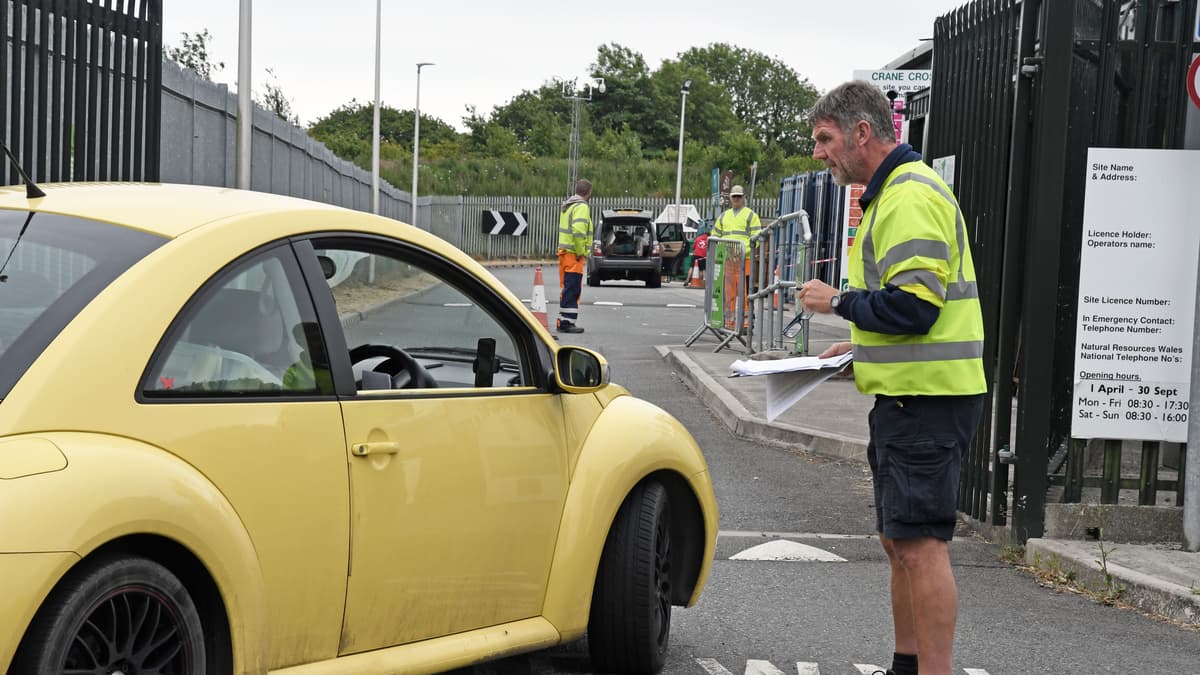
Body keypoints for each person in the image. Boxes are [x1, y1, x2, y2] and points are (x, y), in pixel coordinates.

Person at [797, 80, 986, 675]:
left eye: (825, 139)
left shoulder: (906, 195)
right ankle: (907, 664)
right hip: (911, 397)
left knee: (921, 546)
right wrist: (858, 349)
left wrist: (837, 302)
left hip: (926, 401)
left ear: (862, 133)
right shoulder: (892, 194)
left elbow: (915, 307)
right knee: (898, 541)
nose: (819, 153)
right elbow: (909, 308)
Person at [712, 185, 761, 327]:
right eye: (734, 196)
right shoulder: (724, 216)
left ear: (744, 197)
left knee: (745, 293)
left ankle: (746, 323)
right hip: (728, 260)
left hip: (744, 260)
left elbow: (756, 238)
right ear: (730, 198)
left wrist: (741, 251)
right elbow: (715, 236)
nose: (736, 199)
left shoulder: (751, 215)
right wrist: (724, 251)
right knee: (729, 293)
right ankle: (729, 322)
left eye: (739, 196)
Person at [556, 178, 593, 334]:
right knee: (572, 288)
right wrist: (580, 251)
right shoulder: (581, 207)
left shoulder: (569, 206)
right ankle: (567, 322)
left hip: (565, 253)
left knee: (567, 288)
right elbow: (578, 230)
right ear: (589, 192)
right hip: (573, 255)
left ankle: (563, 320)